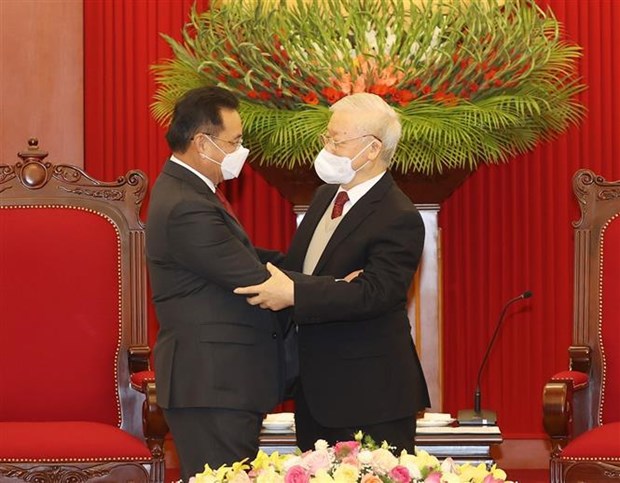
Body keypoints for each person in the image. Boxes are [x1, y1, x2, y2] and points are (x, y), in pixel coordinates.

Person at [235, 93, 430, 454]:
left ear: (372, 150)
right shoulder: (326, 196)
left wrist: (298, 293)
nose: (327, 147)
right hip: (315, 390)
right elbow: (299, 267)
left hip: (371, 394)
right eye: (328, 137)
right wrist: (234, 248)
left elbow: (376, 293)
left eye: (336, 140)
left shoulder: (398, 215)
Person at [145, 86, 285, 481]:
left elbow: (248, 255)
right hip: (212, 385)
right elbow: (252, 278)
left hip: (217, 384)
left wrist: (310, 264)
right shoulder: (187, 204)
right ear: (202, 142)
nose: (242, 151)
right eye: (235, 141)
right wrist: (332, 284)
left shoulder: (190, 191)